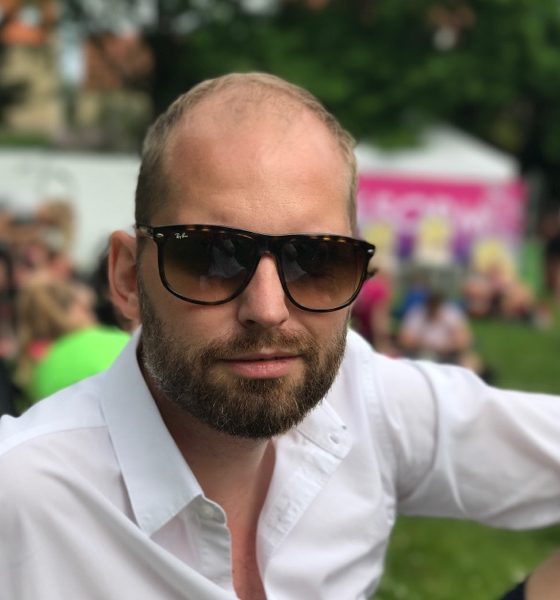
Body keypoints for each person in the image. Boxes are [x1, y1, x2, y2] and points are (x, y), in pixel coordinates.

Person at [1, 73, 560, 600]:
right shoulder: (22, 499)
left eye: (316, 260)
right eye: (212, 256)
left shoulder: (362, 400)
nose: (268, 310)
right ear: (127, 278)